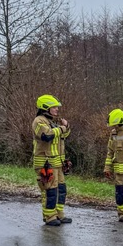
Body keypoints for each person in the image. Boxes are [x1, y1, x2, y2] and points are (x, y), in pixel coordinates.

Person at [32, 94, 72, 226]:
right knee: (50, 190)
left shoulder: (52, 122)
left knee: (61, 189)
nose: (57, 109)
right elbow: (47, 135)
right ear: (45, 108)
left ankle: (59, 214)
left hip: (57, 163)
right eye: (54, 107)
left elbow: (61, 136)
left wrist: (66, 127)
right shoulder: (39, 121)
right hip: (45, 163)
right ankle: (50, 217)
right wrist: (61, 128)